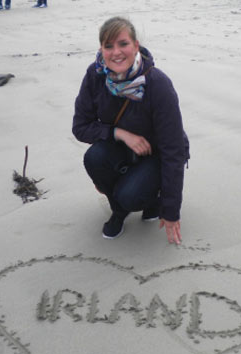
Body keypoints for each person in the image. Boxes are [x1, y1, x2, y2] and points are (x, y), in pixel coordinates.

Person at [73, 17, 189, 245]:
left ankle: (149, 201)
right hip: (121, 147)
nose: (116, 52)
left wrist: (171, 209)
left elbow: (173, 151)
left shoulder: (157, 84)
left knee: (131, 195)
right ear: (101, 50)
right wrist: (119, 133)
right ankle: (118, 210)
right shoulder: (95, 76)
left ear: (136, 46)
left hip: (157, 154)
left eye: (123, 44)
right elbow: (80, 127)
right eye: (109, 46)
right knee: (94, 158)